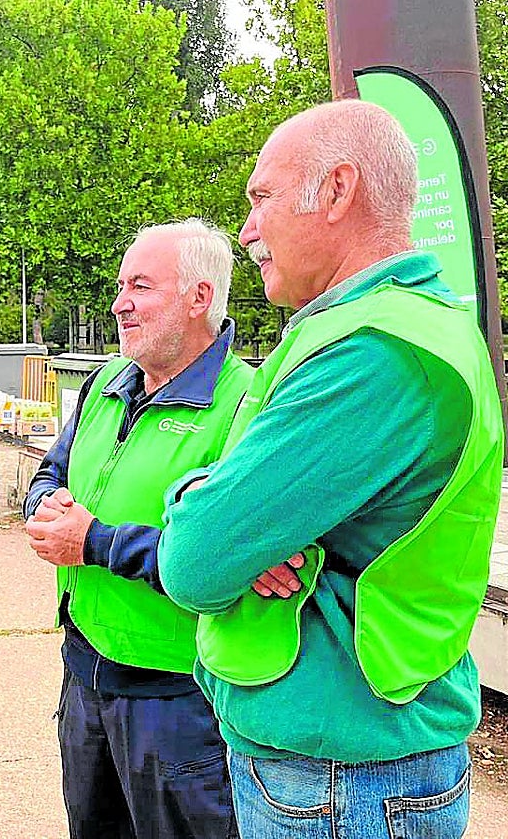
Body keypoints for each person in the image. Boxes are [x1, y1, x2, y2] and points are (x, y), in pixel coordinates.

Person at [156, 100, 503, 837]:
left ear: (338, 190)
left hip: (342, 779)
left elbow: (193, 563)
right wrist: (211, 499)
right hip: (348, 764)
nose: (246, 230)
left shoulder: (372, 356)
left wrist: (221, 521)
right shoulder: (390, 326)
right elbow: (220, 483)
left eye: (262, 198)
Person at [23, 219, 248, 839]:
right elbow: (53, 470)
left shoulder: (245, 403)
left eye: (141, 286)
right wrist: (45, 506)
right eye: (121, 286)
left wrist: (93, 542)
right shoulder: (105, 383)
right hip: (85, 672)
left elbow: (221, 555)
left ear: (200, 298)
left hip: (178, 700)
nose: (120, 303)